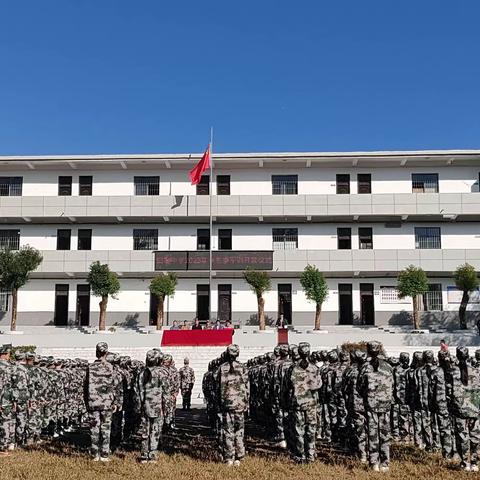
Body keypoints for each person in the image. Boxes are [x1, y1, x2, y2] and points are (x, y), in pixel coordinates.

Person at [84, 342, 119, 462]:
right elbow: (115, 386)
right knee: (106, 428)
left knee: (94, 428)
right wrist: (115, 402)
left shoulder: (90, 367)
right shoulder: (111, 367)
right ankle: (104, 455)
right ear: (107, 352)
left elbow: (85, 386)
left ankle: (94, 454)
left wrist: (86, 401)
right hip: (107, 403)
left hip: (93, 402)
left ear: (97, 352)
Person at [216, 344, 249, 466]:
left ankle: (229, 457)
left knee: (228, 431)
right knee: (239, 430)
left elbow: (217, 387)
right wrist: (247, 402)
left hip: (226, 404)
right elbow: (247, 387)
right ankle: (239, 457)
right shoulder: (243, 368)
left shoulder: (221, 368)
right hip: (240, 404)